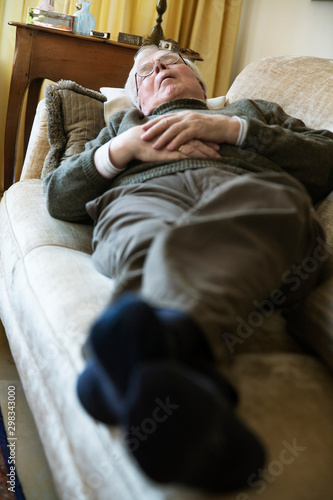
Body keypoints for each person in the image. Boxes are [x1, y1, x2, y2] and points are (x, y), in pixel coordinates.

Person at [44, 44, 333, 494]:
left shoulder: (250, 110)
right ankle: (184, 387)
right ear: (138, 99)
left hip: (245, 191)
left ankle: (145, 358)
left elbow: (326, 158)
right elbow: (58, 195)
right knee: (144, 238)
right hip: (143, 197)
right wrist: (124, 149)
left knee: (271, 207)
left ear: (200, 82)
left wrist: (233, 129)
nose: (157, 68)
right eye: (143, 73)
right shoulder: (123, 124)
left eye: (169, 61)